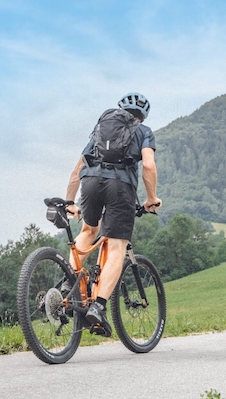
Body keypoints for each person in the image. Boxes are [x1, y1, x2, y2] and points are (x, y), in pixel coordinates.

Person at [65, 92, 161, 336]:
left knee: (88, 230)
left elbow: (79, 167)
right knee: (118, 246)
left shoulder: (101, 129)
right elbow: (148, 165)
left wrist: (69, 200)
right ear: (142, 116)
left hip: (90, 182)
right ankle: (98, 307)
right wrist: (151, 199)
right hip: (119, 187)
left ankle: (69, 283)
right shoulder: (142, 131)